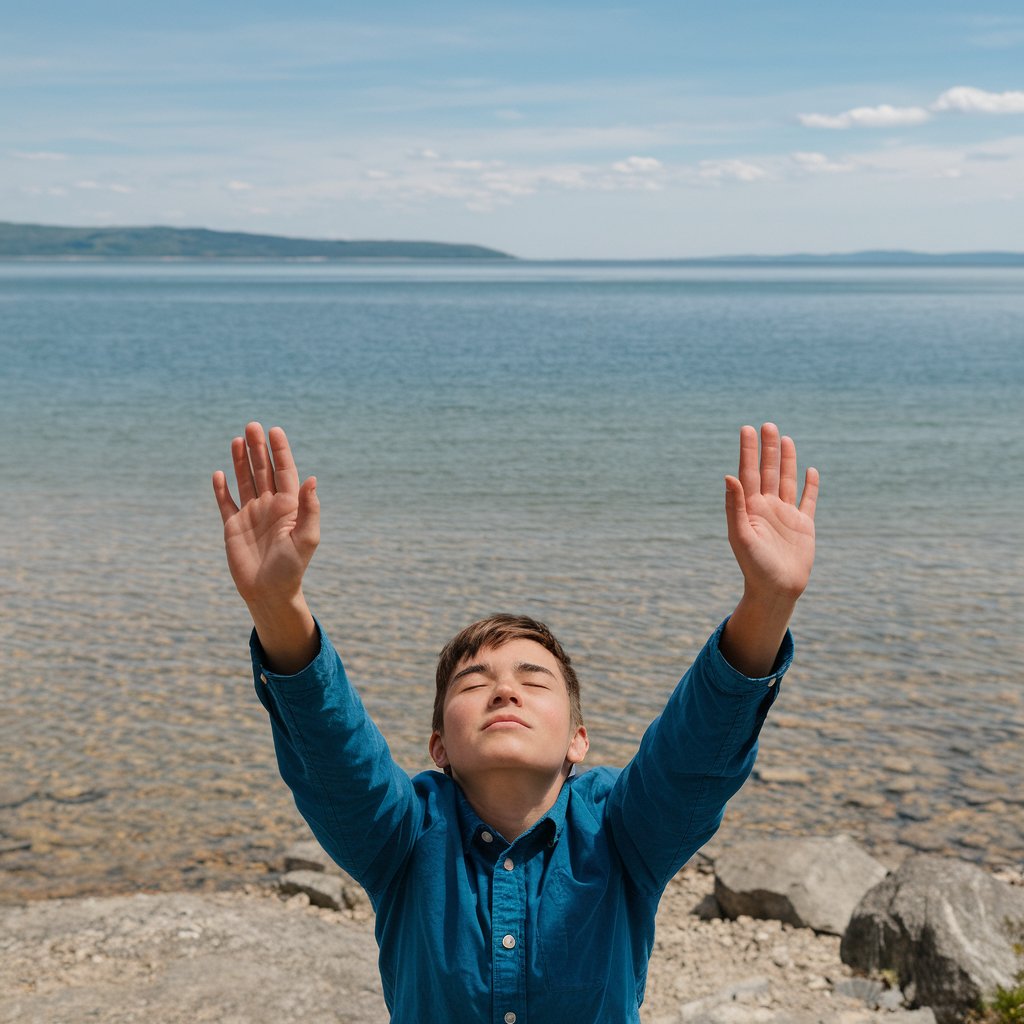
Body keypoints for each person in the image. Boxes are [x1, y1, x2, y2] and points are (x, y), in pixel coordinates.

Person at [212, 421, 819, 1024]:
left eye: (534, 680)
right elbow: (334, 751)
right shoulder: (402, 837)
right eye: (474, 683)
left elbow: (695, 753)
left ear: (577, 740)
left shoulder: (622, 831)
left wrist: (767, 603)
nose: (504, 689)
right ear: (438, 745)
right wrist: (276, 605)